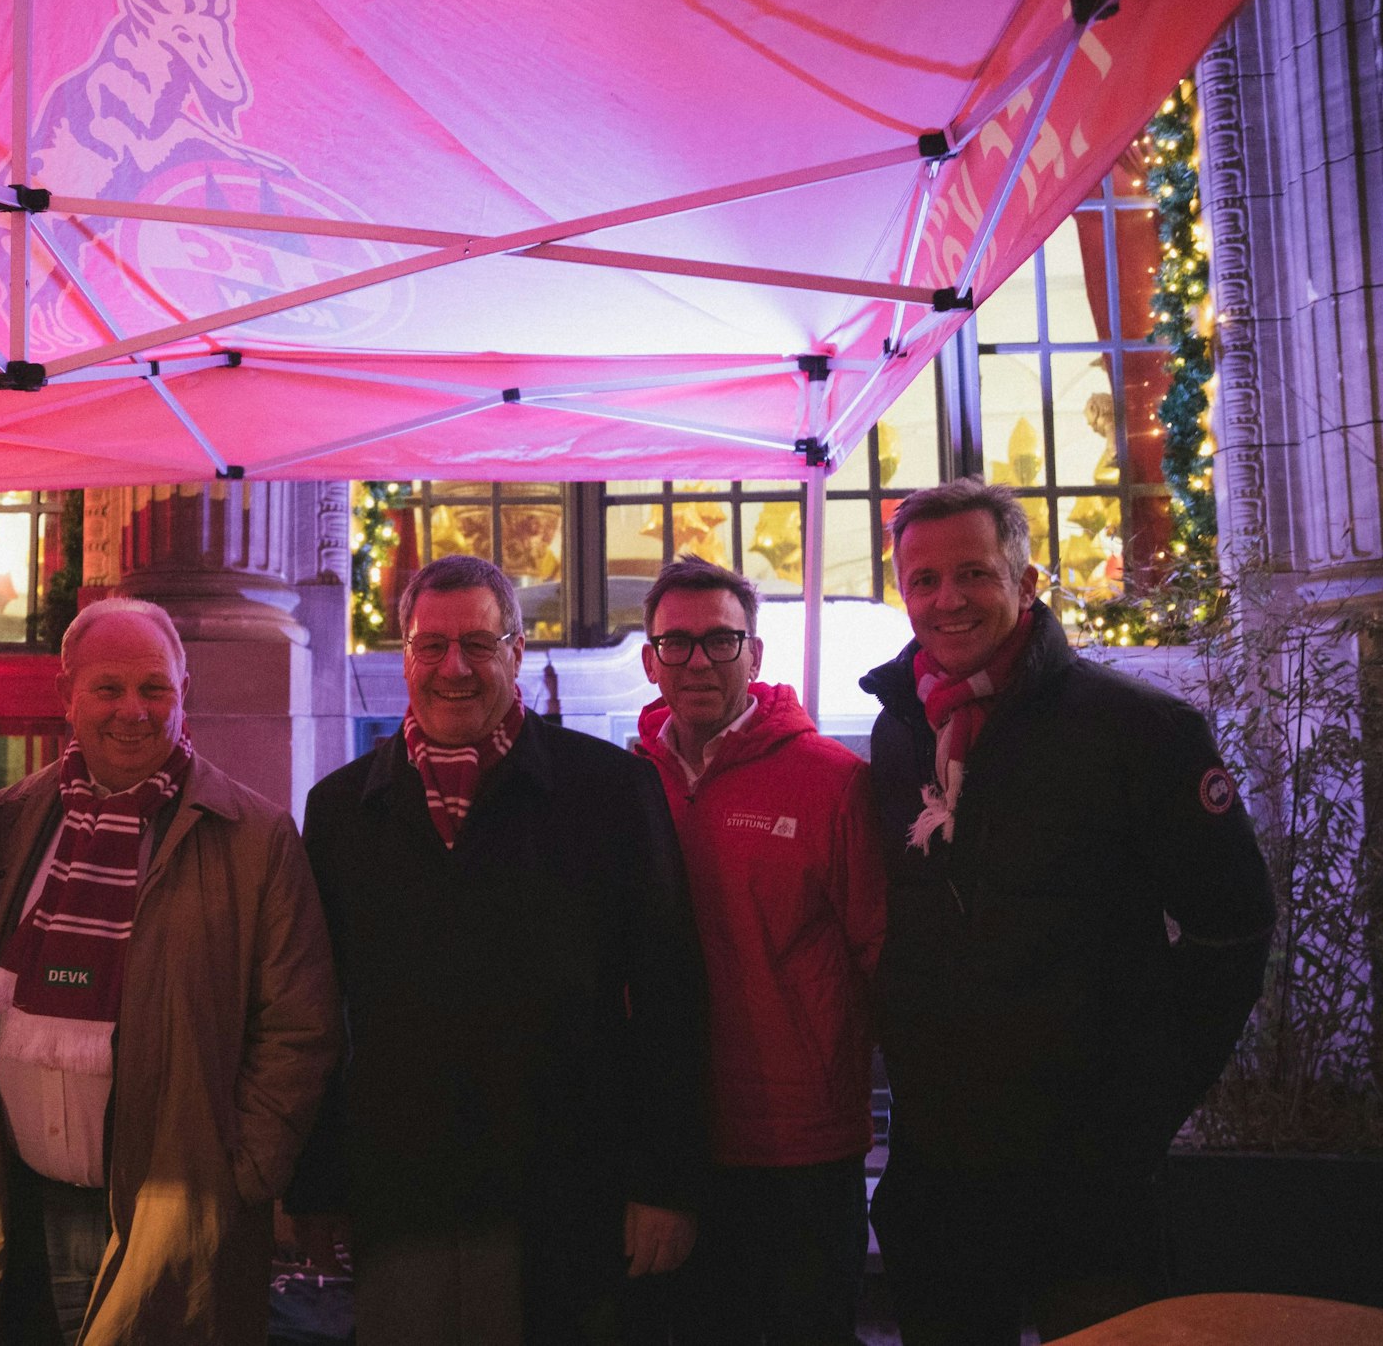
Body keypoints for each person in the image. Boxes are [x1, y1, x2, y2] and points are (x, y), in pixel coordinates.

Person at [860, 479, 1274, 1345]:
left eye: (973, 573)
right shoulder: (900, 727)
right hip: (941, 1173)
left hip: (1086, 1175)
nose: (947, 600)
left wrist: (1142, 1106)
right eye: (923, 581)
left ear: (1027, 579)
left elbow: (1231, 926)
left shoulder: (1138, 729)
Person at [288, 554, 708, 1345]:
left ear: (516, 653)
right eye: (431, 646)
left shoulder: (612, 791)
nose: (454, 667)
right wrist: (318, 1185)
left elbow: (669, 998)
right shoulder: (341, 810)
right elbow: (315, 1012)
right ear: (405, 656)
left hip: (565, 1194)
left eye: (479, 645)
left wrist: (666, 1184)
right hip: (400, 1196)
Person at [0, 597, 339, 1345]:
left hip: (171, 1219)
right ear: (67, 694)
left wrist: (239, 1176)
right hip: (18, 1209)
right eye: (108, 688)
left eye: (154, 687)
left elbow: (301, 1026)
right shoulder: (9, 819)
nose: (133, 710)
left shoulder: (255, 837)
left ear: (182, 690)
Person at [631, 556, 885, 1345]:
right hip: (671, 1144)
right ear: (649, 660)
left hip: (799, 1146)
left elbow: (880, 955)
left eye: (720, 640)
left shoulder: (832, 782)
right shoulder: (623, 787)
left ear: (756, 653)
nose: (698, 660)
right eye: (677, 643)